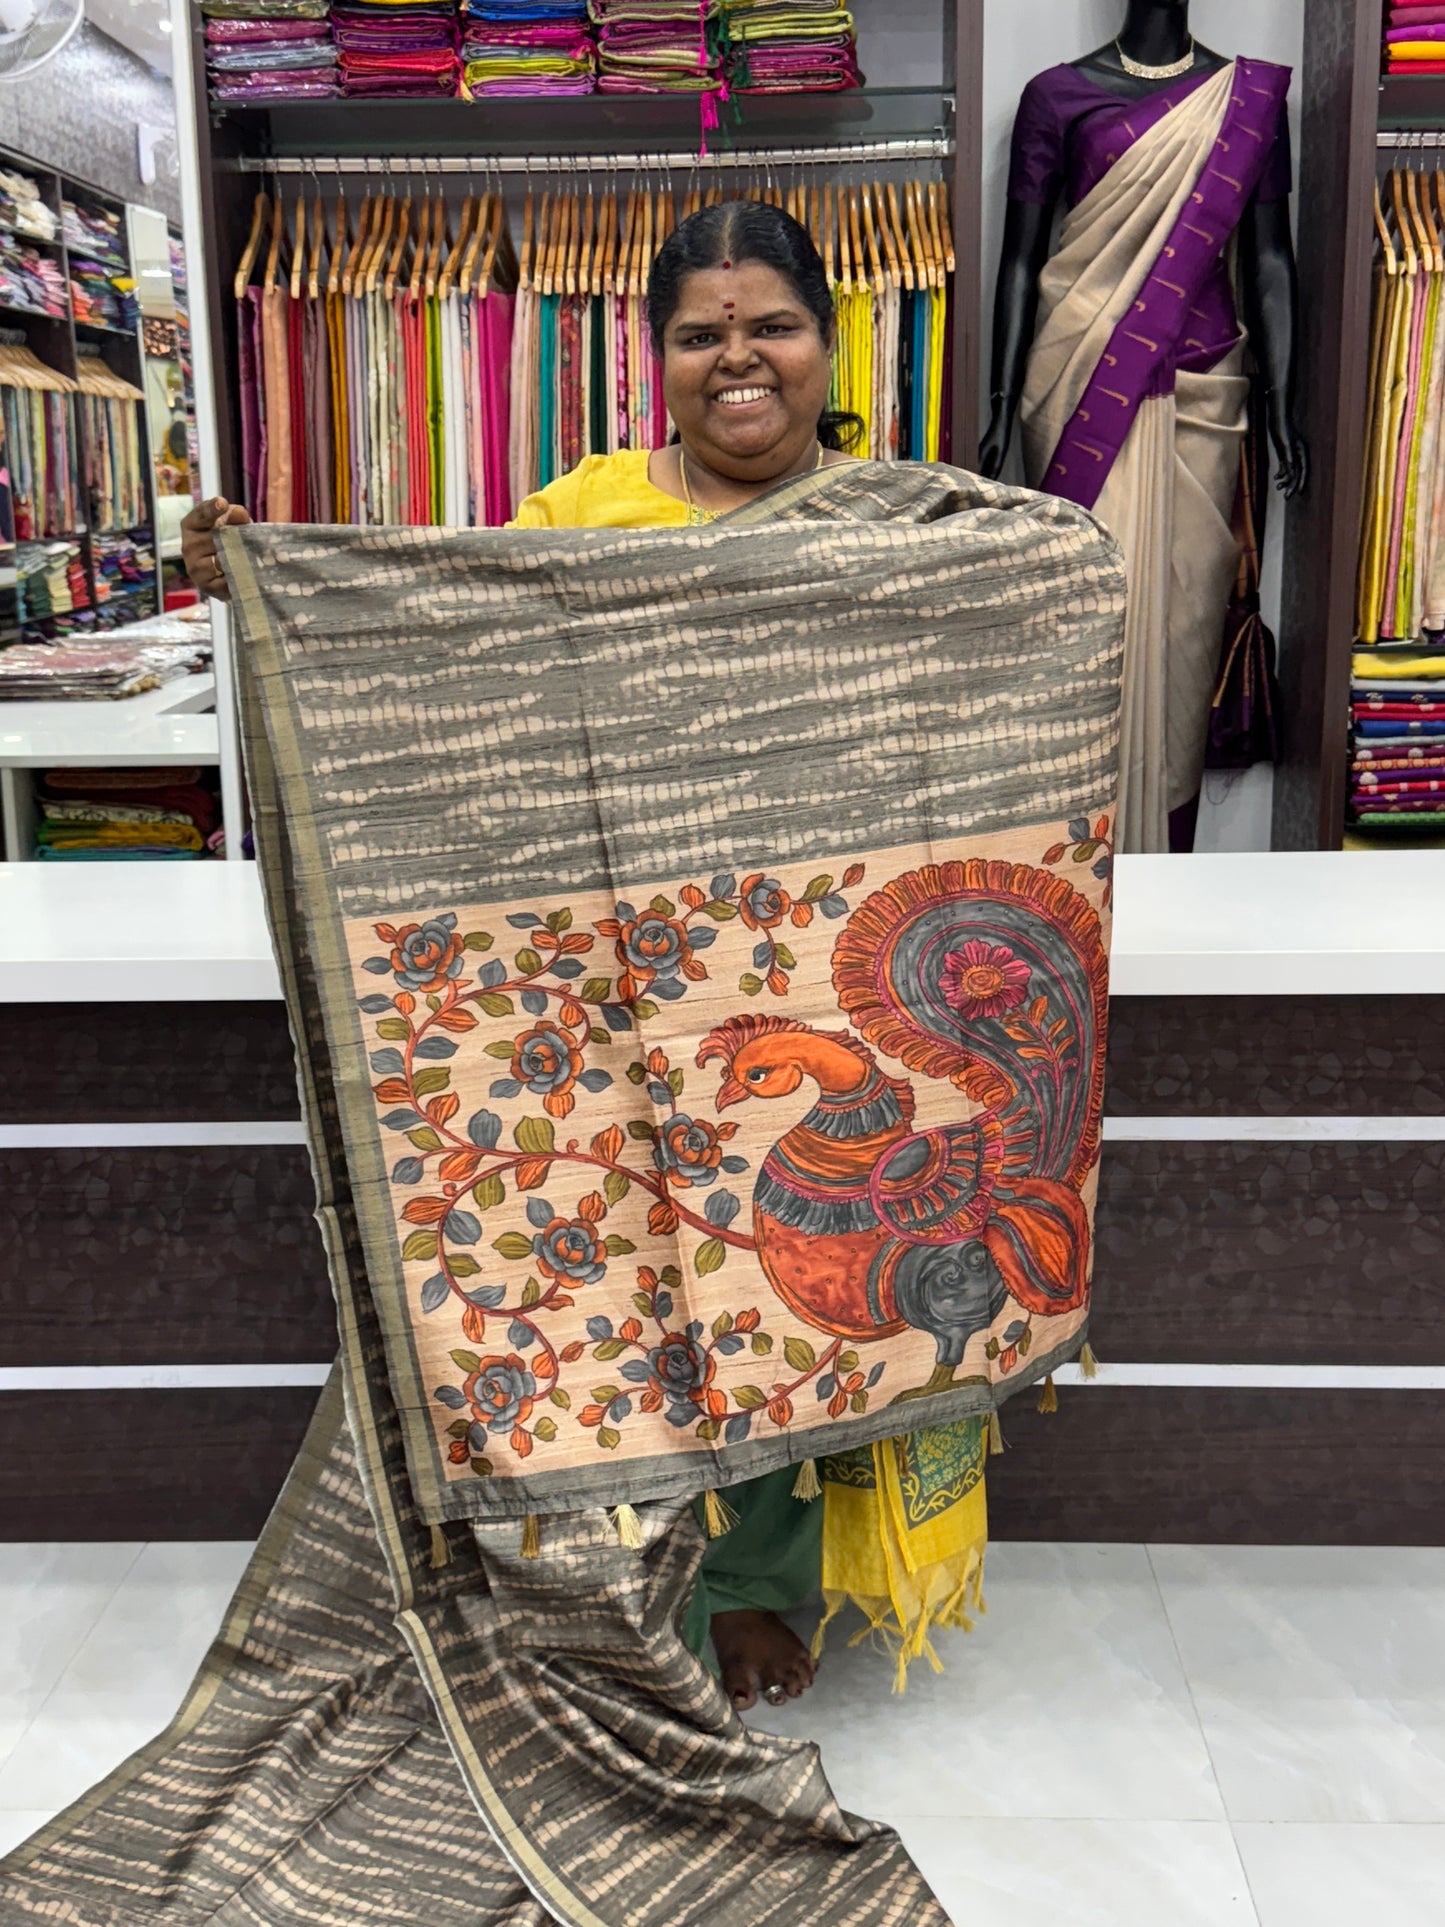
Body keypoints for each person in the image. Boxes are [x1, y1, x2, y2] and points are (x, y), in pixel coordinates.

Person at [181, 198, 988, 1717]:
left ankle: (756, 1580)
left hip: (816, 974)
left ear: (830, 343)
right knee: (633, 1289)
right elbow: (439, 651)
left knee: (792, 1286)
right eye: (701, 334)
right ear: (655, 356)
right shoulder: (578, 516)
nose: (738, 358)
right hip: (617, 983)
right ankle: (634, 1574)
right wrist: (277, 583)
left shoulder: (900, 533)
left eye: (772, 326)